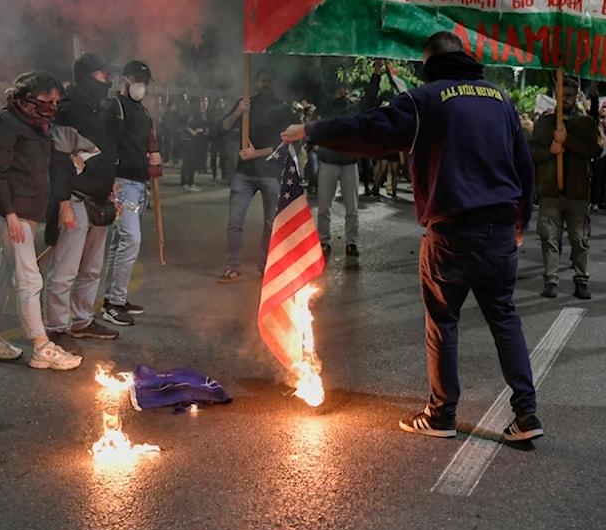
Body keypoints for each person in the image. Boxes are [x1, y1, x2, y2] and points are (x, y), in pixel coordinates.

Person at [280, 31, 541, 443]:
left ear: (430, 66)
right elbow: (525, 168)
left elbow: (367, 130)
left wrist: (311, 129)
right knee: (505, 319)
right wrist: (522, 220)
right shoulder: (501, 100)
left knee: (443, 323)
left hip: (451, 233)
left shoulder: (426, 101)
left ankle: (442, 415)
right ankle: (527, 415)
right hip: (500, 231)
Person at [0, 71, 82, 370]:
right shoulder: (7, 124)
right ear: (27, 98)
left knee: (7, 272)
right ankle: (41, 346)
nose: (52, 107)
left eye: (56, 101)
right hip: (11, 211)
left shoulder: (37, 126)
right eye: (47, 100)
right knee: (29, 277)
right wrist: (10, 215)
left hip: (24, 209)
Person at [43, 53, 121, 348]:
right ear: (88, 76)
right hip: (75, 199)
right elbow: (61, 161)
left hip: (98, 199)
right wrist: (63, 202)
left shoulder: (94, 108)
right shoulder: (69, 110)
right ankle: (57, 327)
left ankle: (82, 321)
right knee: (65, 269)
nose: (108, 80)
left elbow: (99, 155)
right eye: (103, 75)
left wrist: (107, 186)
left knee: (91, 268)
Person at [216, 69, 294, 283]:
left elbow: (284, 143)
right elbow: (221, 127)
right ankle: (232, 266)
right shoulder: (246, 104)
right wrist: (238, 112)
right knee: (234, 222)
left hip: (270, 174)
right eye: (262, 80)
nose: (265, 84)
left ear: (274, 83)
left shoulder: (283, 109)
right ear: (257, 82)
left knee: (270, 222)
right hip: (244, 173)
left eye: (269, 80)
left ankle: (265, 264)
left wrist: (255, 153)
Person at [101, 60, 161, 326]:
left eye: (145, 81)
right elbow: (105, 143)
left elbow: (146, 143)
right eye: (137, 78)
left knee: (120, 242)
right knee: (130, 239)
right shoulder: (113, 107)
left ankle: (115, 298)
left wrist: (154, 158)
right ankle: (113, 303)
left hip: (138, 182)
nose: (142, 85)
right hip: (121, 183)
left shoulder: (143, 112)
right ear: (124, 78)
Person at [529, 76, 600, 299]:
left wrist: (567, 140)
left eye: (569, 95)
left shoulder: (586, 123)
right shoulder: (545, 123)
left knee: (579, 239)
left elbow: (594, 150)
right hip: (550, 191)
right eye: (561, 95)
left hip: (576, 192)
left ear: (577, 97)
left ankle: (581, 279)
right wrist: (549, 150)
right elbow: (530, 152)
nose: (565, 99)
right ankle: (551, 280)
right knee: (549, 237)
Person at [316, 66, 382, 261]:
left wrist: (376, 74)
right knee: (323, 207)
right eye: (340, 90)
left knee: (352, 208)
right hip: (328, 162)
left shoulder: (354, 111)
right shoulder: (328, 109)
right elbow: (318, 92)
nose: (344, 94)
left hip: (349, 163)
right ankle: (324, 242)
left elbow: (369, 98)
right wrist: (316, 62)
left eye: (346, 90)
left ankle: (351, 243)